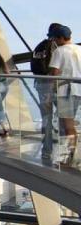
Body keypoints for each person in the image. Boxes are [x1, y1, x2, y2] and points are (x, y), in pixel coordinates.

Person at [48, 25, 81, 166]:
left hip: (65, 91)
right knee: (70, 124)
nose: (53, 40)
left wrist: (49, 93)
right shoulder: (79, 49)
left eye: (54, 37)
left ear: (60, 38)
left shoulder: (59, 51)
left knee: (67, 125)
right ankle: (72, 154)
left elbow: (54, 73)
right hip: (78, 90)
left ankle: (69, 157)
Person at [32, 23, 64, 160]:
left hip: (41, 84)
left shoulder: (39, 46)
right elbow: (57, 69)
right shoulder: (57, 47)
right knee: (64, 116)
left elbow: (35, 67)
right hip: (55, 85)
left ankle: (46, 150)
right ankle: (64, 150)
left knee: (46, 118)